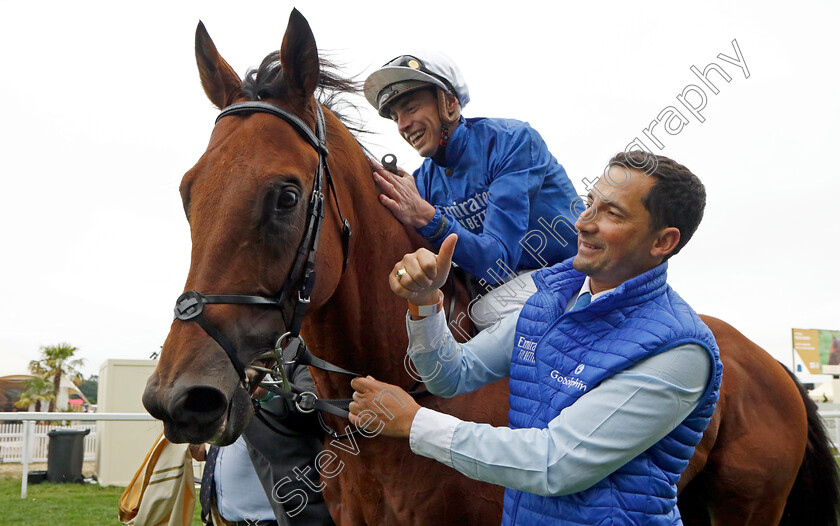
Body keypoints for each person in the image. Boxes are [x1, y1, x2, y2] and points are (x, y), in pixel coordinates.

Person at [348, 151, 723, 525]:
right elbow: (452, 375)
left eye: (612, 213)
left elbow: (554, 464)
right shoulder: (548, 301)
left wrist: (414, 422)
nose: (584, 223)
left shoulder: (681, 350)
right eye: (590, 203)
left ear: (663, 242)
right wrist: (425, 303)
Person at [364, 52, 580, 327]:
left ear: (450, 104)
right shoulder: (423, 182)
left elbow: (497, 264)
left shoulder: (512, 141)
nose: (402, 125)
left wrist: (427, 218)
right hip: (512, 286)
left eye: (411, 108)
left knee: (484, 312)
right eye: (395, 117)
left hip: (577, 273)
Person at [195, 362, 334, 526]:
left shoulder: (299, 359)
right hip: (226, 518)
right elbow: (239, 435)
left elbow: (310, 411)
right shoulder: (232, 366)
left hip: (278, 516)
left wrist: (268, 395)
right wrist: (209, 449)